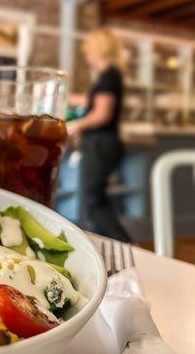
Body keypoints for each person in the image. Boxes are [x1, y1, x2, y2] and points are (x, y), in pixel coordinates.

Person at [67, 28, 131, 242]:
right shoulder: (107, 77)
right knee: (96, 199)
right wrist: (64, 96)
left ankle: (126, 247)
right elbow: (90, 100)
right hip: (101, 144)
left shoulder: (109, 77)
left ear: (98, 50)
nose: (87, 57)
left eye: (88, 52)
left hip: (101, 144)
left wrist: (76, 125)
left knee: (93, 201)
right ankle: (119, 246)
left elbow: (102, 113)